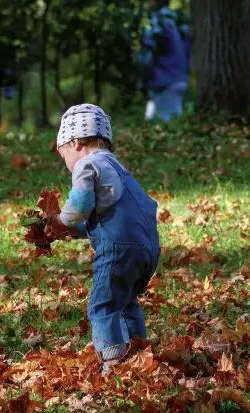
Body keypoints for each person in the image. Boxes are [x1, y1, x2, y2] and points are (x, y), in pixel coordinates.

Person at [44, 104, 160, 370]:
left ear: (75, 143)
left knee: (103, 306)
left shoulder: (87, 164)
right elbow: (112, 218)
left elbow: (81, 203)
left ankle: (113, 362)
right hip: (147, 247)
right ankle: (138, 352)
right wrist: (73, 231)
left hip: (119, 249)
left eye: (63, 156)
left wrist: (61, 220)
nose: (67, 165)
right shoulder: (115, 166)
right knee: (125, 300)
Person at [138, 0, 190, 121]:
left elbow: (147, 55)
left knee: (161, 128)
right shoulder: (178, 21)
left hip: (164, 83)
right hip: (180, 80)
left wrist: (143, 80)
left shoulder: (157, 22)